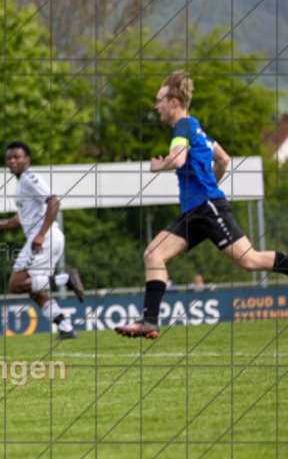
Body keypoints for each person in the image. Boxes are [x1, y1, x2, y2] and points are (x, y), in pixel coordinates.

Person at [116, 71, 288, 338]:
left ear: (174, 102)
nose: (156, 105)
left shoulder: (182, 127)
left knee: (249, 260)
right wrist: (211, 187)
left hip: (206, 208)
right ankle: (149, 321)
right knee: (153, 254)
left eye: (159, 100)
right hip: (196, 211)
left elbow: (179, 159)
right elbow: (224, 160)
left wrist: (158, 166)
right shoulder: (196, 128)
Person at [0, 141, 85, 341]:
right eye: (9, 158)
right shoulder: (21, 185)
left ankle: (65, 279)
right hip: (47, 236)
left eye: (17, 157)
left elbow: (53, 201)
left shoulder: (29, 178)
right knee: (34, 289)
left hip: (46, 237)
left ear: (27, 160)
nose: (12, 161)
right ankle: (65, 327)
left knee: (16, 285)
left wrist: (41, 234)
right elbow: (20, 220)